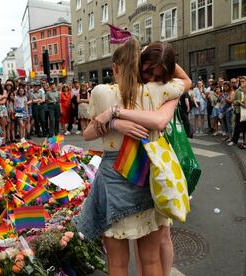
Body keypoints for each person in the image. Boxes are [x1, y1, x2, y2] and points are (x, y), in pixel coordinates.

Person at [77, 39, 190, 276]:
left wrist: (114, 122)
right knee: (150, 260)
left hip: (113, 176)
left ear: (115, 67)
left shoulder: (101, 92)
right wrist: (160, 52)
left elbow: (88, 134)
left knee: (117, 264)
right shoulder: (158, 90)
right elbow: (186, 81)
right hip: (147, 174)